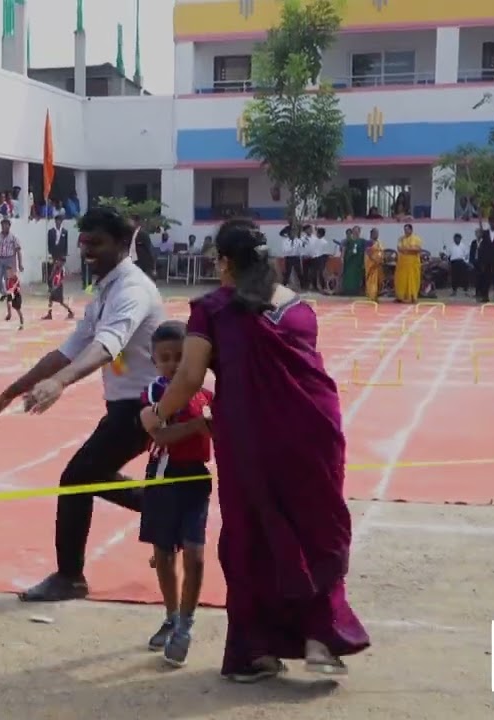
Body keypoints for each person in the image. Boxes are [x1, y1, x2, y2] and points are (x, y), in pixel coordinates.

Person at [140, 218, 369, 682]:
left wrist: (156, 415)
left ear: (224, 262)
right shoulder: (299, 307)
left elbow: (188, 378)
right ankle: (319, 636)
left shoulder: (215, 309)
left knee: (253, 539)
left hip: (255, 441)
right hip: (316, 432)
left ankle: (254, 649)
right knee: (311, 531)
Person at [0, 207, 164, 602]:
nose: (85, 249)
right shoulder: (105, 290)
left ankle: (70, 576)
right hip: (124, 407)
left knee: (77, 478)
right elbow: (65, 352)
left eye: (95, 243)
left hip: (143, 407)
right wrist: (6, 395)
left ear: (122, 244)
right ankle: (164, 509)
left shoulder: (132, 290)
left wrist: (60, 383)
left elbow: (107, 345)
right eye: (83, 241)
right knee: (86, 476)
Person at [139, 320, 213, 669]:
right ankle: (170, 615)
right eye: (164, 358)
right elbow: (162, 437)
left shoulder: (205, 395)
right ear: (154, 361)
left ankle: (186, 623)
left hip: (196, 479)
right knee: (164, 555)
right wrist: (200, 425)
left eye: (179, 358)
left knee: (195, 556)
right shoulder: (154, 394)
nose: (171, 364)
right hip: (163, 480)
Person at [0, 218, 23, 294]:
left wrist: (20, 264)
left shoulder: (13, 237)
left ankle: (11, 294)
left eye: (7, 225)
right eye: (3, 224)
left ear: (9, 226)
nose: (5, 226)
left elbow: (18, 250)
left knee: (8, 279)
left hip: (10, 259)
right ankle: (3, 291)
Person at [394, 223, 422, 303]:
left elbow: (418, 249)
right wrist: (410, 249)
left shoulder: (416, 239)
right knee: (400, 280)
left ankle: (412, 296)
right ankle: (400, 297)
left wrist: (406, 249)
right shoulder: (401, 239)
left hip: (413, 263)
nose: (405, 231)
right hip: (402, 263)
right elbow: (399, 248)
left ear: (411, 230)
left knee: (413, 280)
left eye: (407, 230)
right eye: (404, 230)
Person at [339, 227, 365, 297]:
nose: (356, 232)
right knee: (348, 276)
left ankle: (356, 291)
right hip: (349, 261)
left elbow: (365, 251)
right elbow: (344, 249)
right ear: (352, 232)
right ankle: (347, 291)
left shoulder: (362, 241)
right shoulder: (348, 241)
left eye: (357, 231)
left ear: (359, 232)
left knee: (357, 277)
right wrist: (342, 257)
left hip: (358, 262)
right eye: (354, 231)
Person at [364, 230, 383, 302]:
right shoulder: (369, 242)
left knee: (378, 281)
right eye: (375, 233)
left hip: (378, 264)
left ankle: (375, 296)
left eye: (377, 233)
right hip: (371, 264)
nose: (377, 235)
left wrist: (380, 260)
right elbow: (368, 252)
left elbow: (380, 252)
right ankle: (371, 296)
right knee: (371, 280)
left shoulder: (378, 243)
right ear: (371, 234)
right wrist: (374, 260)